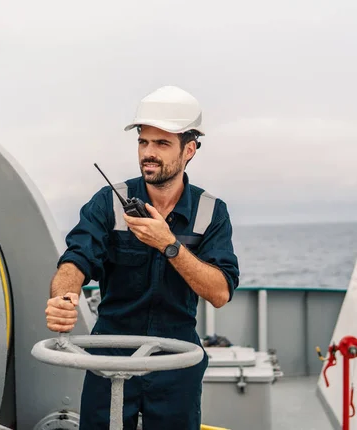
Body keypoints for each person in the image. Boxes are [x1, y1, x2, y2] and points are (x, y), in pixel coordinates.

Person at [45, 85, 240, 429]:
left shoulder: (211, 212)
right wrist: (64, 296)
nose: (148, 153)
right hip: (109, 355)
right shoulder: (108, 201)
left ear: (189, 150)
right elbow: (76, 259)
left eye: (162, 143)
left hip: (176, 361)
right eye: (143, 142)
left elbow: (220, 292)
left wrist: (170, 245)